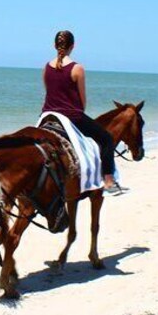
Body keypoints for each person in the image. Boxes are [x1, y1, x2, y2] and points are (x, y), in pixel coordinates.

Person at [41, 30, 121, 193]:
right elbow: (82, 101)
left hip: (47, 116)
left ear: (54, 45)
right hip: (71, 117)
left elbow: (48, 92)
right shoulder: (77, 68)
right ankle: (108, 179)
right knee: (106, 138)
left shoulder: (46, 67)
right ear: (73, 46)